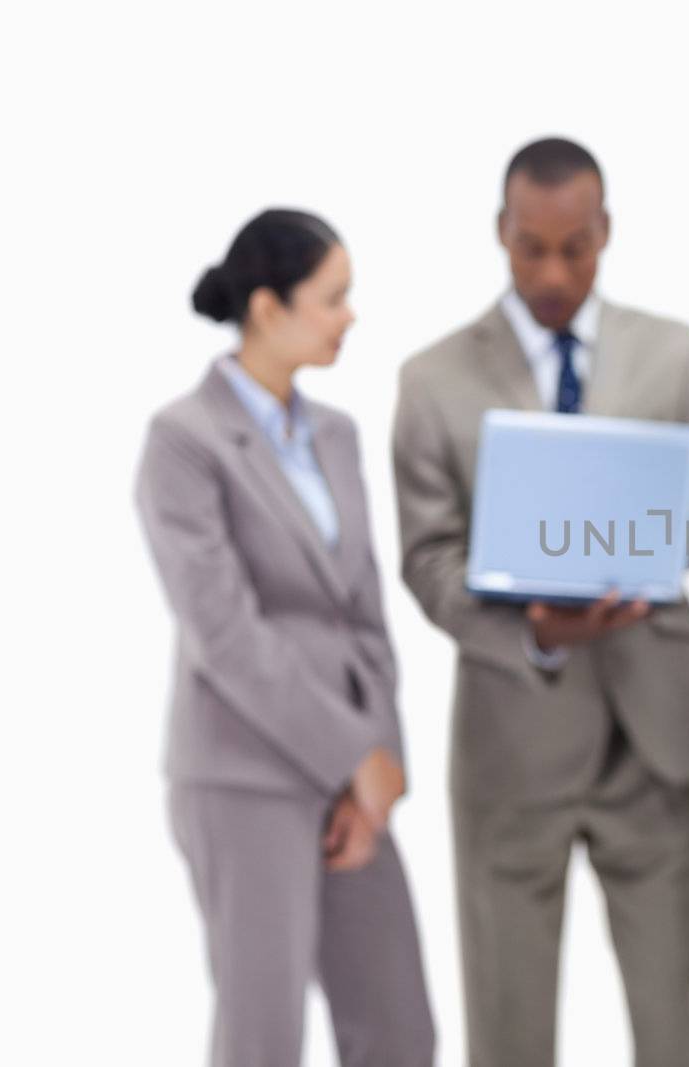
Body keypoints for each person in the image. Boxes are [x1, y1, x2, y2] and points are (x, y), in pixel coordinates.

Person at [392, 136, 689, 1067]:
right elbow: (427, 558)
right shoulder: (431, 381)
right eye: (531, 248)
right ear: (501, 234)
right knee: (508, 1026)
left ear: (606, 234)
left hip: (655, 736)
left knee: (672, 1020)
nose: (554, 271)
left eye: (576, 247)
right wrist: (535, 630)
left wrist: (638, 548)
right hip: (514, 739)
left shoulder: (673, 353)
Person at [134, 208, 436, 1066]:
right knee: (264, 1033)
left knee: (398, 1024)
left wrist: (379, 764)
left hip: (354, 778)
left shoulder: (335, 433)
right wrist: (352, 754)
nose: (350, 317)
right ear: (268, 307)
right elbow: (224, 632)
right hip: (244, 773)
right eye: (333, 298)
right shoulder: (184, 442)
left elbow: (366, 612)